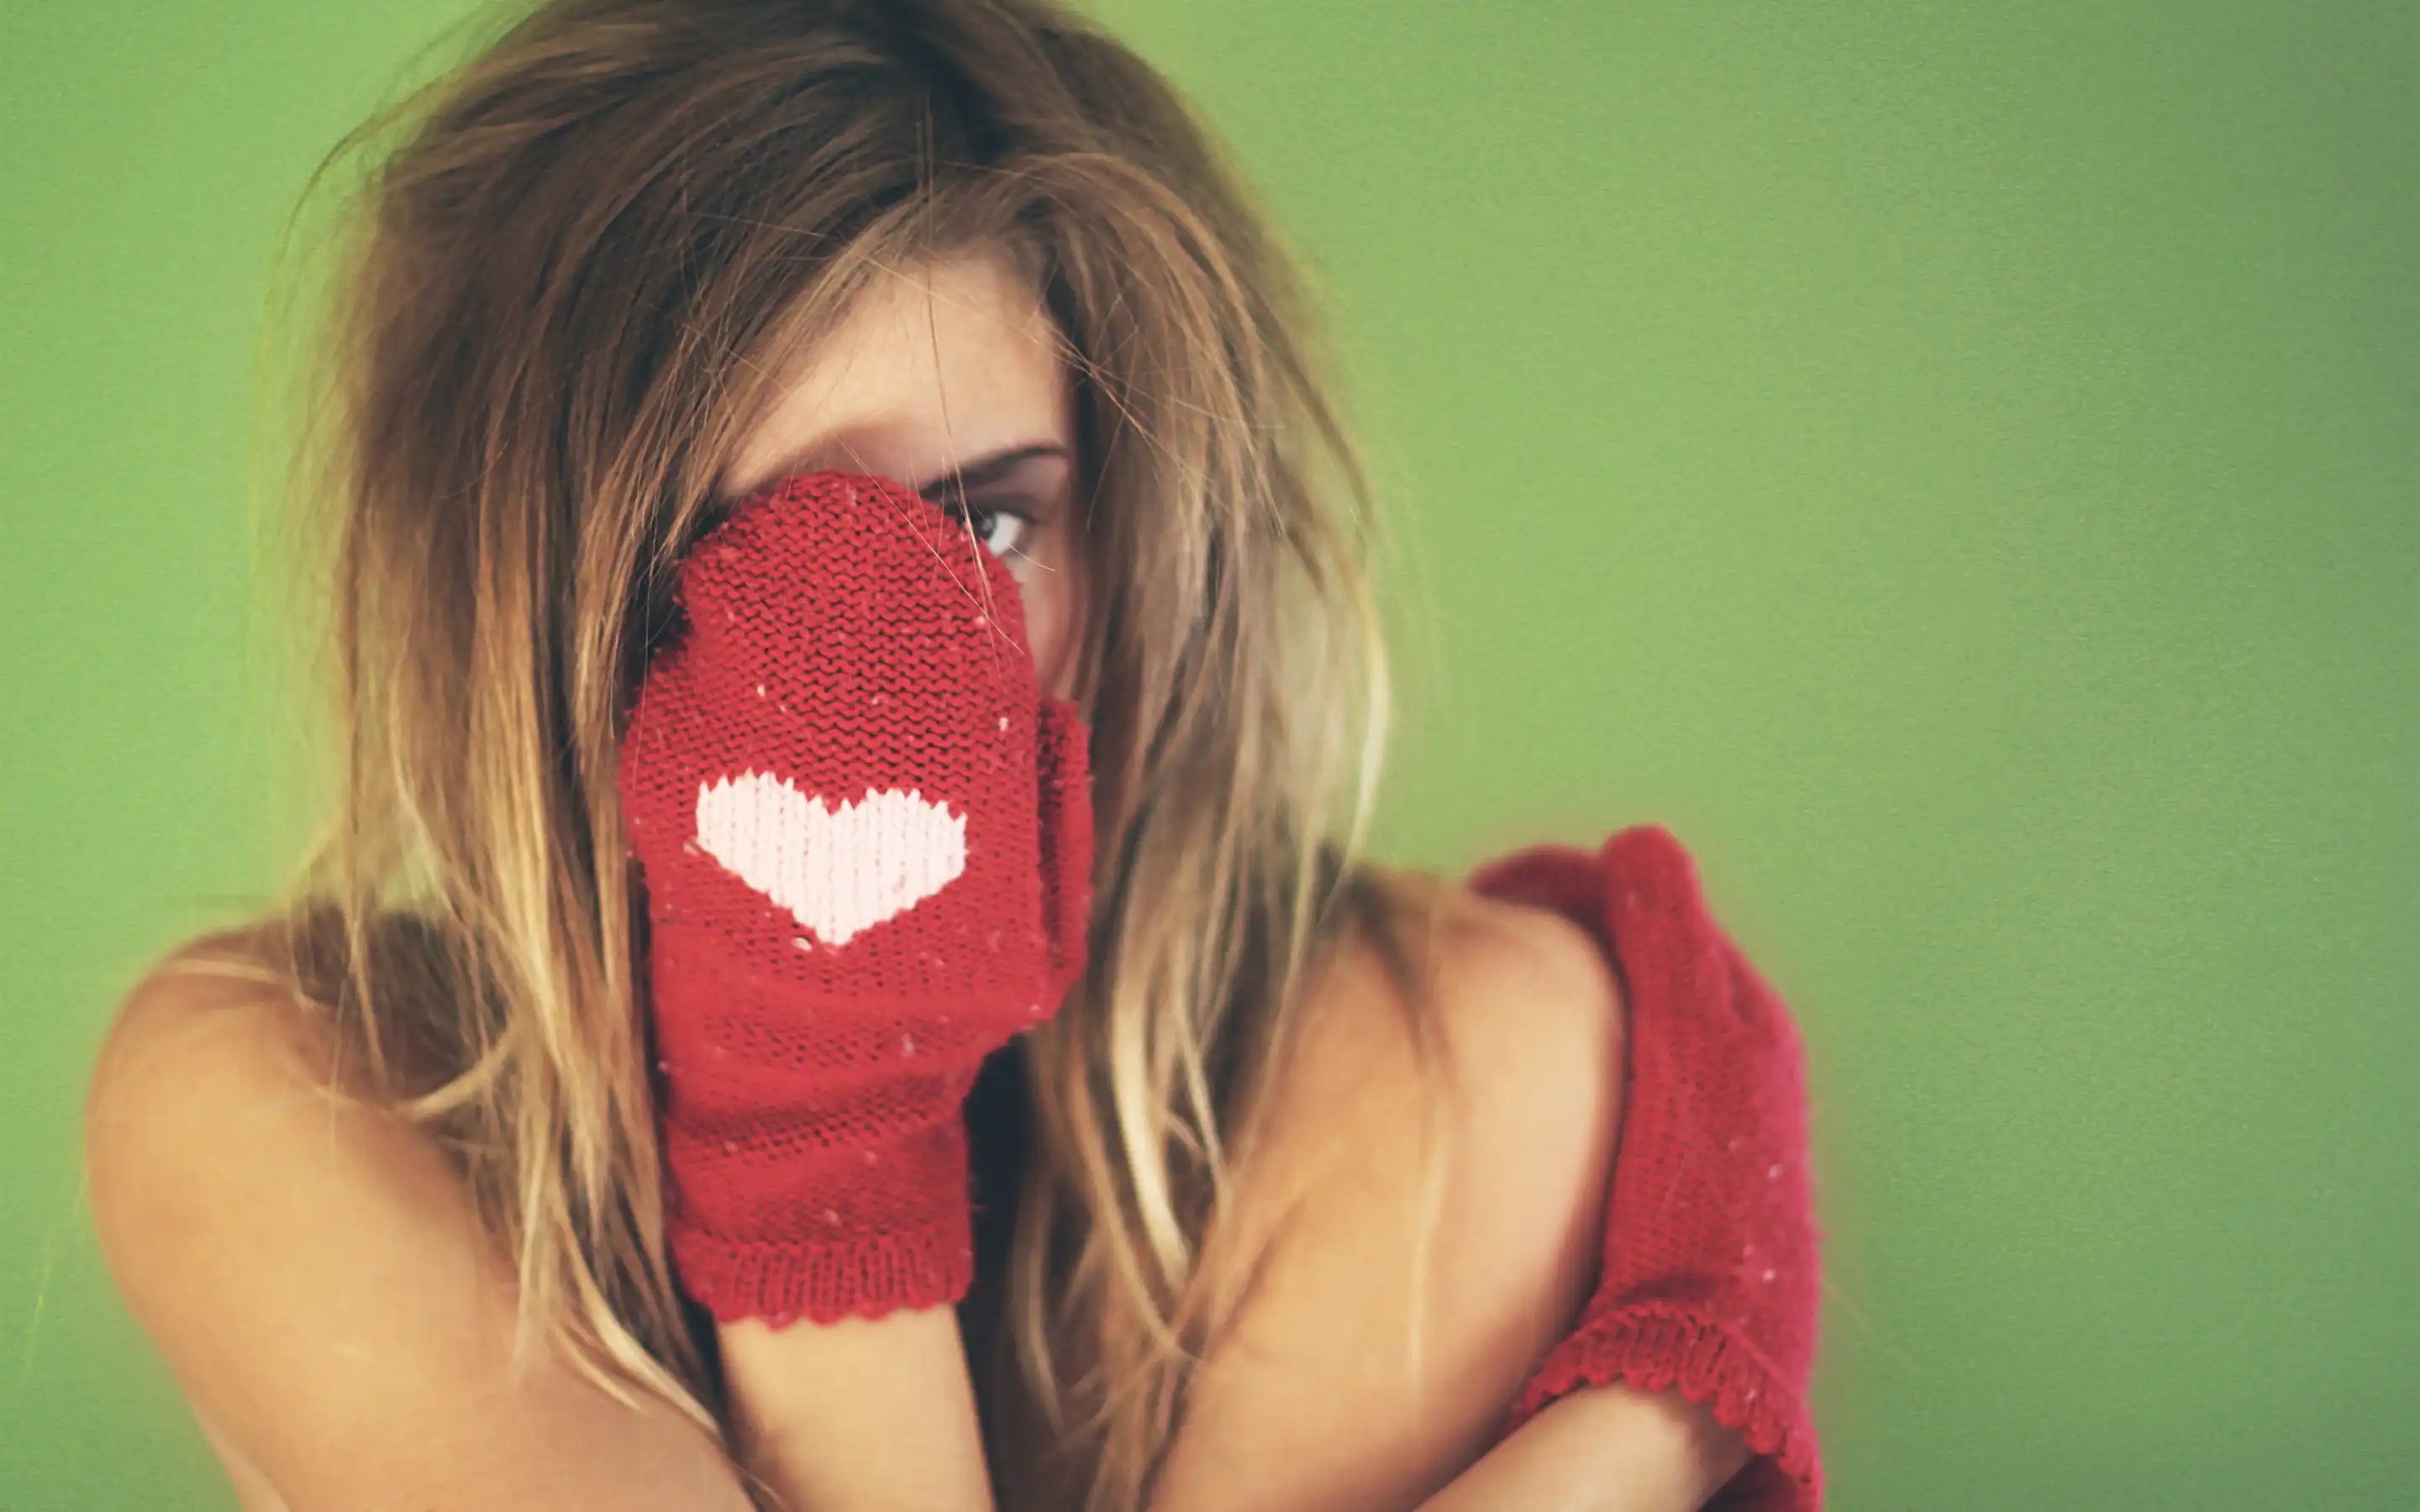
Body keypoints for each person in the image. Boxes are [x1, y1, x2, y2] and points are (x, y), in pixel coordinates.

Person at [80, 3, 1824, 1509]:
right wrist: (1644, 1436)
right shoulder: (280, 1103)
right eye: (745, 553)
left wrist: (1664, 1406)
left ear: (1127, 539)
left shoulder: (1443, 1066)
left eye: (982, 525)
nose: (877, 671)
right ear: (519, 603)